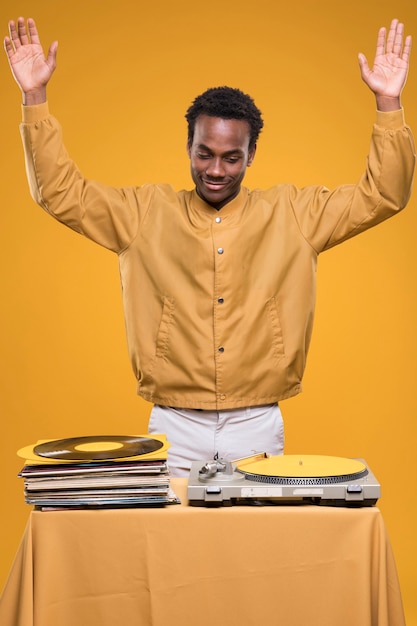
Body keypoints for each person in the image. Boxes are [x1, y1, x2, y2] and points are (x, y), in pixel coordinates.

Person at [4, 18, 415, 476]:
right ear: (189, 146)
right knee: (173, 546)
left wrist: (388, 103)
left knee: (252, 547)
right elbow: (59, 192)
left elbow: (384, 194)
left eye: (231, 157)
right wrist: (34, 98)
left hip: (256, 423)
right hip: (174, 425)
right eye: (205, 153)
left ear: (251, 155)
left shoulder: (295, 214)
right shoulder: (143, 213)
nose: (215, 170)